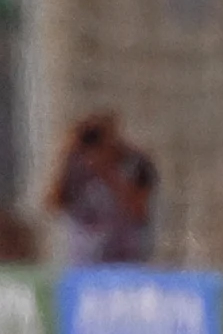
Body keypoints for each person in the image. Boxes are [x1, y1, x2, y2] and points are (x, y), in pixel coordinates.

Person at [48, 111, 157, 265]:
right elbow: (53, 204)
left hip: (125, 257)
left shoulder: (136, 165)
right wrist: (66, 156)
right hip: (83, 258)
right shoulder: (75, 166)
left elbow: (139, 210)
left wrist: (108, 172)